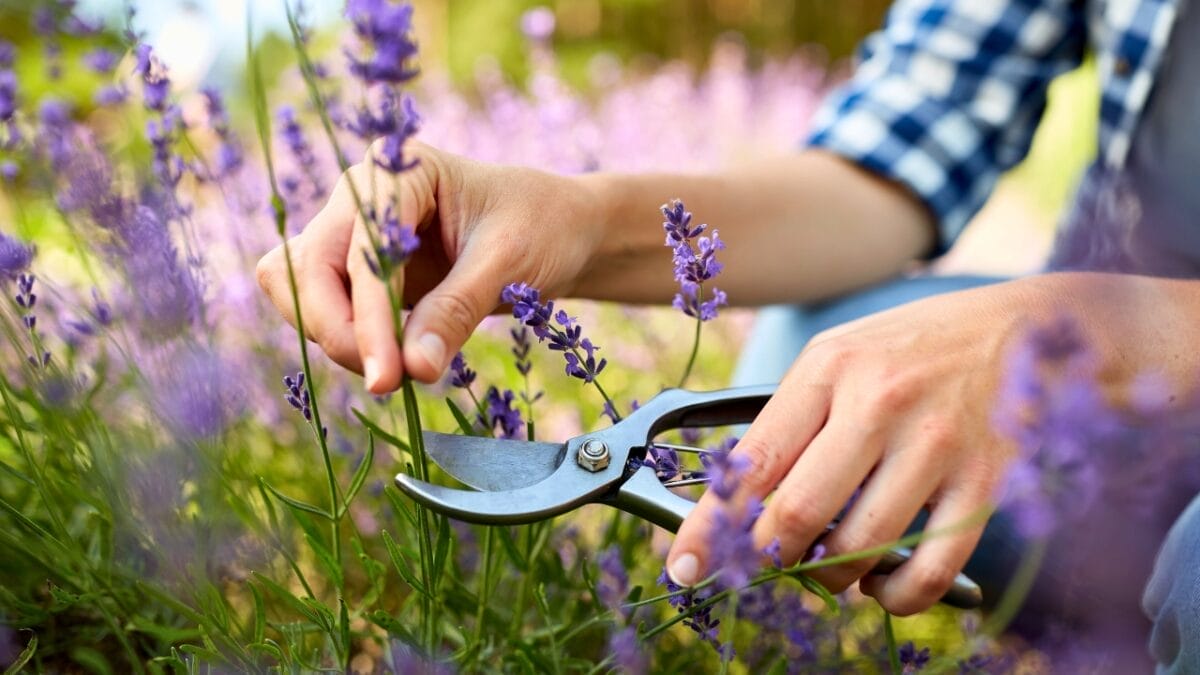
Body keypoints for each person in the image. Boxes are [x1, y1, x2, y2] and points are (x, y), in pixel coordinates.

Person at [257, 0, 1200, 669]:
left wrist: (1069, 329)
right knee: (819, 357)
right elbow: (881, 171)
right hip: (1109, 384)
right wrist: (576, 218)